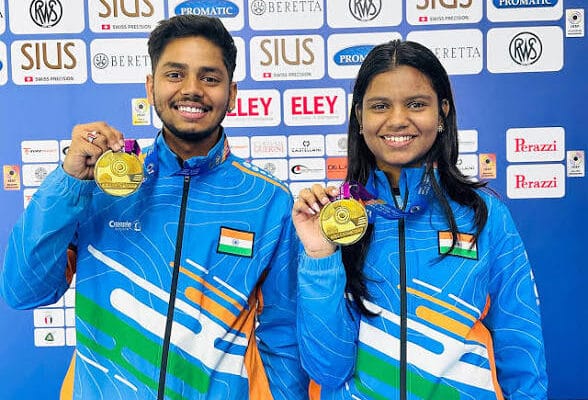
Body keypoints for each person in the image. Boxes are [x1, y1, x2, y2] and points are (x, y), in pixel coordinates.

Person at [1, 15, 308, 400]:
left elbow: (283, 337)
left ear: (231, 94)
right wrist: (69, 182)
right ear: (151, 86)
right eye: (175, 74)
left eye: (209, 78)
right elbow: (23, 291)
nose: (192, 89)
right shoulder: (101, 184)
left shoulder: (268, 200)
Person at [292, 39, 548, 400]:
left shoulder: (485, 216)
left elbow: (521, 350)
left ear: (442, 113)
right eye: (380, 106)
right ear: (360, 117)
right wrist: (321, 256)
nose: (398, 119)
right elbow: (326, 368)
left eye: (416, 104)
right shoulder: (334, 220)